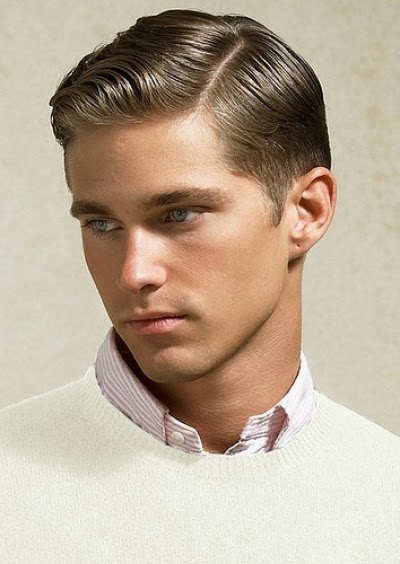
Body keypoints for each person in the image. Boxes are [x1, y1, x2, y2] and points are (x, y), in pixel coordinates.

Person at [1, 8, 399, 563]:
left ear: (307, 211)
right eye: (102, 224)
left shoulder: (386, 497)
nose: (134, 272)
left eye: (179, 215)